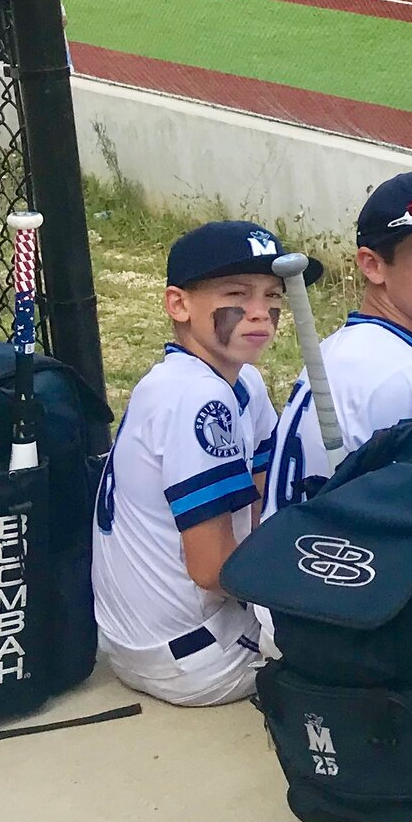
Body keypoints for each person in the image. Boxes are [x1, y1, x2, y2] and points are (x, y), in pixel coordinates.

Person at [91, 220, 319, 706]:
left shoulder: (236, 380)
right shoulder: (195, 397)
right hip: (193, 658)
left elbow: (263, 501)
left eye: (272, 295)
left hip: (156, 638)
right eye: (237, 293)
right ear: (178, 304)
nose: (260, 312)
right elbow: (213, 569)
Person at [255, 169, 412, 517]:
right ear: (372, 265)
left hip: (293, 545)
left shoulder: (344, 346)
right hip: (334, 550)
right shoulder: (404, 374)